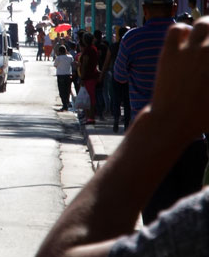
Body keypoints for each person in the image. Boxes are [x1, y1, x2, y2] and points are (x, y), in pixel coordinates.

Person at [36, 18, 209, 257]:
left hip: (161, 143)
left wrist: (162, 119)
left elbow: (60, 252)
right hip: (195, 147)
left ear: (146, 10)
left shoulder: (132, 40)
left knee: (155, 215)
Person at [114, 0, 208, 225]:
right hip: (191, 142)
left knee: (155, 223)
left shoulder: (131, 40)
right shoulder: (192, 36)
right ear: (174, 7)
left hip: (148, 144)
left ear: (144, 9)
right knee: (190, 222)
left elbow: (119, 76)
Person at [79, 32, 100, 125]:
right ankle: (88, 117)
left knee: (89, 98)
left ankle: (90, 117)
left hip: (88, 76)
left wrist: (82, 77)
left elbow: (85, 64)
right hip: (92, 75)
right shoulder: (94, 49)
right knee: (89, 97)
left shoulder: (88, 50)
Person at [53, 45, 73, 112]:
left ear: (59, 51)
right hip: (68, 76)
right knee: (67, 90)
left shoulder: (58, 58)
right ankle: (66, 104)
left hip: (60, 76)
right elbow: (72, 64)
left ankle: (64, 105)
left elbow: (55, 65)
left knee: (62, 91)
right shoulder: (70, 57)